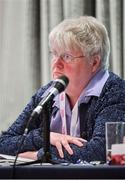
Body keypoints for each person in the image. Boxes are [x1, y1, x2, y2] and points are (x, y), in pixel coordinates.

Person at [0, 16, 125, 164]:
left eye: (66, 56)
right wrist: (45, 137)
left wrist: (39, 154)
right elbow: (4, 142)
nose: (56, 64)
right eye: (54, 54)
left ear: (94, 62)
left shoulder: (116, 91)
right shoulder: (46, 94)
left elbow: (99, 151)